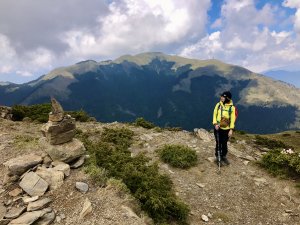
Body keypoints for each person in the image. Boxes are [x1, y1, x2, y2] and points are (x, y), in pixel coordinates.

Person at [212, 91, 236, 165]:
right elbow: (214, 114)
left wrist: (231, 130)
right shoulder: (218, 105)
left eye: (223, 97)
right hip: (218, 128)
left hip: (227, 129)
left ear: (227, 98)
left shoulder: (232, 108)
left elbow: (232, 119)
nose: (221, 97)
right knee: (218, 142)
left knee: (224, 143)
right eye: (221, 96)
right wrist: (215, 124)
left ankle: (224, 156)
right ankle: (218, 157)